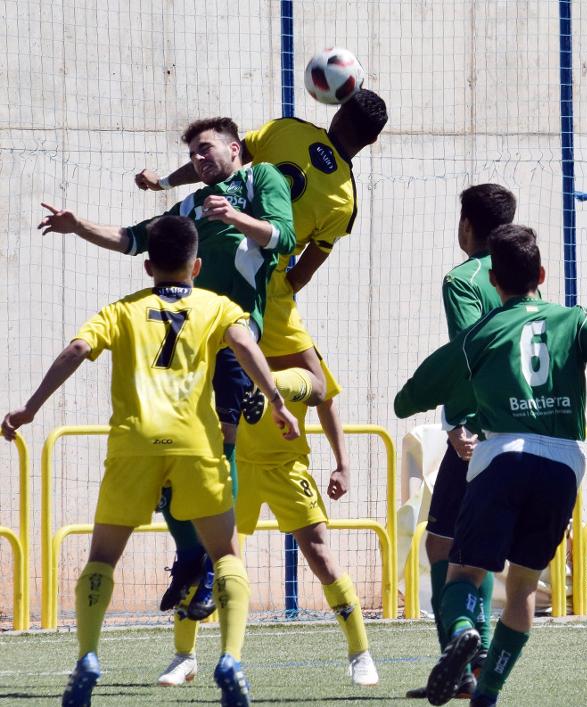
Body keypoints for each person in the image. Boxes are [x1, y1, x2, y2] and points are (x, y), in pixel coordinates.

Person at [2, 215, 300, 707]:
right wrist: (278, 400)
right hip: (196, 444)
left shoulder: (122, 310)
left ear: (147, 267)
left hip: (133, 445)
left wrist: (31, 407)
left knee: (102, 558)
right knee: (225, 556)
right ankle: (230, 658)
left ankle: (89, 657)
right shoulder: (216, 305)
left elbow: (78, 348)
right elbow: (245, 344)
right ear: (197, 265)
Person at [37, 116, 315, 621]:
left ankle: (210, 563)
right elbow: (132, 239)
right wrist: (79, 227)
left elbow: (285, 238)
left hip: (233, 333)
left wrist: (234, 217)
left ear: (235, 148)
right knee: (168, 447)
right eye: (193, 154)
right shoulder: (189, 206)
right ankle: (191, 556)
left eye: (206, 149)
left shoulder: (260, 179)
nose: (199, 159)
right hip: (185, 339)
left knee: (223, 444)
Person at [135, 92, 389, 617]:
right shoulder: (345, 198)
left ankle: (188, 601)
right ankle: (261, 394)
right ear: (373, 141)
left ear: (334, 110)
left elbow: (216, 167)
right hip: (264, 293)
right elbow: (308, 263)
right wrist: (281, 285)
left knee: (190, 438)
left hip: (222, 288)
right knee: (315, 386)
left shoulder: (289, 130)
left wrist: (162, 182)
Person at [394, 225, 587, 706]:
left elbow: (416, 391)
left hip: (503, 457)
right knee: (521, 588)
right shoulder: (575, 320)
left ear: (494, 282)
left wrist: (419, 400)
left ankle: (461, 632)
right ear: (542, 273)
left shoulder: (482, 332)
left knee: (465, 573)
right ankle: (489, 694)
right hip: (563, 465)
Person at [157, 358, 379, 689]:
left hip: (287, 466)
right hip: (234, 465)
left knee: (320, 555)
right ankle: (184, 656)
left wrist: (342, 464)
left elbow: (324, 398)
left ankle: (360, 654)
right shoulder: (228, 337)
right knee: (205, 557)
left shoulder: (297, 345)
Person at [406, 184, 517, 701]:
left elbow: (472, 355)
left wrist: (456, 421)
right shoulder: (523, 279)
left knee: (442, 545)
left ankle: (462, 658)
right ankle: (478, 669)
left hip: (477, 429)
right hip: (526, 430)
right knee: (484, 553)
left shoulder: (462, 279)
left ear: (468, 226)